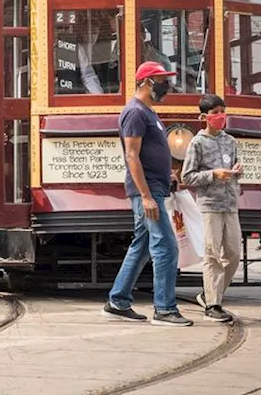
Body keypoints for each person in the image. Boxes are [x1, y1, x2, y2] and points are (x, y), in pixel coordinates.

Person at [103, 62, 192, 327]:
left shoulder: (148, 112)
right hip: (148, 189)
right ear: (147, 82)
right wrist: (146, 195)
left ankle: (117, 301)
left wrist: (168, 176)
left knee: (142, 246)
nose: (167, 85)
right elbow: (132, 155)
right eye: (162, 80)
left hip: (156, 185)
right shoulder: (135, 112)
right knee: (165, 245)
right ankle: (164, 309)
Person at [181, 95, 242, 324]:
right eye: (216, 112)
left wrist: (237, 170)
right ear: (205, 116)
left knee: (234, 255)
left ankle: (209, 293)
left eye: (223, 111)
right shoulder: (197, 143)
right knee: (212, 254)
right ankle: (213, 304)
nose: (221, 116)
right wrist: (213, 174)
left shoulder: (230, 141)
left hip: (230, 204)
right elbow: (187, 176)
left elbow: (235, 167)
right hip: (209, 206)